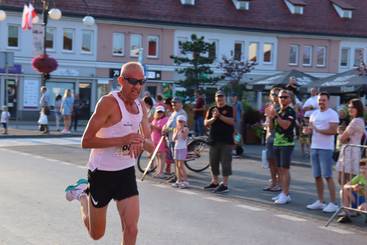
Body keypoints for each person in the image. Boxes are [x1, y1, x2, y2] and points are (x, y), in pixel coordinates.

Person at [64, 62, 154, 244]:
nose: (137, 86)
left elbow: (150, 145)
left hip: (126, 174)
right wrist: (123, 140)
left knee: (131, 229)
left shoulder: (141, 107)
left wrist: (141, 141)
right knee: (96, 234)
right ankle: (82, 194)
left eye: (141, 82)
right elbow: (86, 141)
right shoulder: (108, 103)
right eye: (132, 81)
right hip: (101, 174)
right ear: (121, 80)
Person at [305, 92, 339, 213]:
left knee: (327, 175)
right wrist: (307, 131)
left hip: (326, 148)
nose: (321, 102)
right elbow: (310, 129)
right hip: (314, 147)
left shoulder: (332, 114)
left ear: (328, 101)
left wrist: (317, 129)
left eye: (323, 100)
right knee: (317, 176)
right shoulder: (314, 114)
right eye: (319, 100)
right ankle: (320, 201)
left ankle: (333, 203)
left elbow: (333, 131)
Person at [266, 89, 296, 204]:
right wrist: (270, 117)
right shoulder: (277, 109)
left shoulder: (290, 111)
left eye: (285, 97)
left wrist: (276, 116)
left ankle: (286, 193)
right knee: (279, 169)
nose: (282, 99)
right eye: (280, 97)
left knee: (285, 169)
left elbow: (285, 125)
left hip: (287, 143)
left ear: (289, 99)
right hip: (277, 142)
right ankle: (283, 192)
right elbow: (272, 127)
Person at [204, 90, 234, 193]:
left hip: (226, 140)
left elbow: (232, 121)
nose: (219, 99)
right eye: (218, 97)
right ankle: (214, 182)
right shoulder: (211, 109)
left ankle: (225, 184)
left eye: (221, 97)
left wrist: (220, 116)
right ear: (215, 98)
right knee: (213, 162)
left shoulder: (229, 109)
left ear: (224, 98)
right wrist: (213, 118)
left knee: (225, 163)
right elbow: (206, 123)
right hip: (213, 140)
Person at [336, 99, 365, 186]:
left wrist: (340, 133)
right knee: (348, 181)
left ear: (358, 109)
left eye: (353, 107)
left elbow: (343, 138)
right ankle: (349, 198)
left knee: (345, 181)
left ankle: (348, 199)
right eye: (349, 107)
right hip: (353, 151)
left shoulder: (356, 121)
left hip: (350, 153)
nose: (350, 109)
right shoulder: (360, 120)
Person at [162, 97, 188, 182]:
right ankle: (177, 176)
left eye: (175, 104)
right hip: (171, 138)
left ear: (180, 103)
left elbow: (179, 127)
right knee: (175, 160)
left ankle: (180, 178)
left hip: (177, 139)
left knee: (178, 161)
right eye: (172, 104)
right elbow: (168, 123)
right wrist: (164, 127)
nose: (173, 106)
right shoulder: (174, 113)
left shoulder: (182, 113)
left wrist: (168, 129)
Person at [263, 87, 281, 192]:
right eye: (273, 94)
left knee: (277, 162)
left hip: (277, 137)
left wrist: (270, 118)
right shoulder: (270, 106)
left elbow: (273, 125)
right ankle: (273, 182)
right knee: (270, 161)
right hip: (269, 137)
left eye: (276, 95)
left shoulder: (280, 107)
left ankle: (279, 183)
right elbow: (268, 123)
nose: (274, 97)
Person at [171, 115, 190, 188]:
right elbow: (173, 139)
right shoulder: (175, 129)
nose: (180, 123)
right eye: (179, 121)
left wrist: (181, 130)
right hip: (176, 148)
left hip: (182, 148)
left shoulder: (186, 129)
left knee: (180, 165)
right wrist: (177, 130)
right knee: (177, 165)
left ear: (184, 122)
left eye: (182, 121)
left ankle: (185, 181)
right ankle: (178, 180)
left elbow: (184, 137)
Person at [151, 105, 169, 178]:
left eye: (161, 112)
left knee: (162, 156)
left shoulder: (165, 119)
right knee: (158, 156)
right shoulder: (154, 119)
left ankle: (160, 172)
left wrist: (153, 127)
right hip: (154, 139)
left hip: (161, 139)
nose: (160, 113)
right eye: (158, 112)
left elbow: (163, 130)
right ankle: (158, 171)